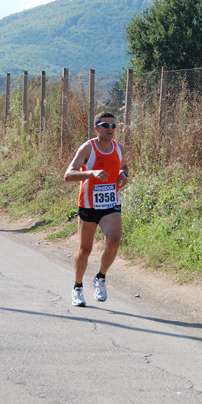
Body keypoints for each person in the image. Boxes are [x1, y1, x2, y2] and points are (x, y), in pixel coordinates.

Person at [64, 111, 129, 306]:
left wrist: (123, 175)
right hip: (89, 205)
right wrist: (91, 173)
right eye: (106, 125)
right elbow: (68, 175)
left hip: (110, 203)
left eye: (113, 126)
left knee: (114, 242)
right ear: (97, 128)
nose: (111, 129)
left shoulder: (119, 148)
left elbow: (124, 167)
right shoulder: (88, 148)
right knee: (85, 250)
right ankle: (77, 287)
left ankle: (100, 277)